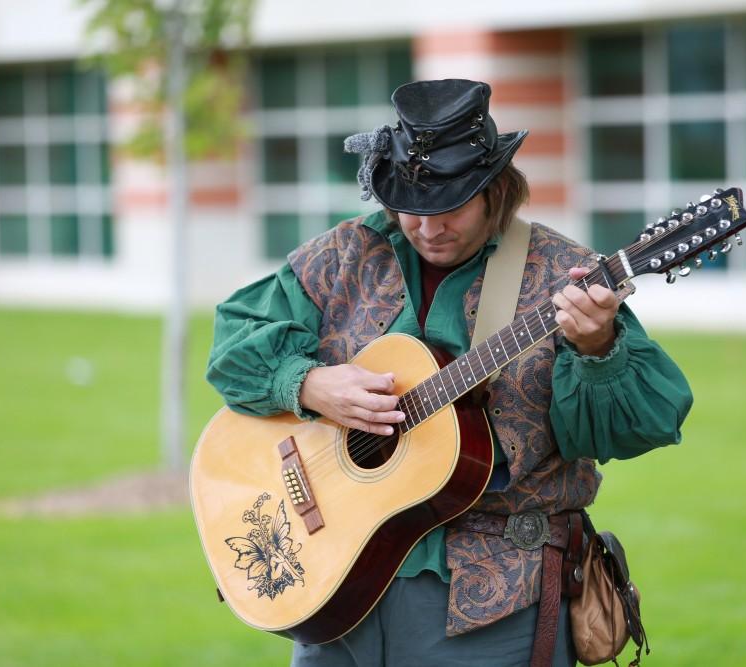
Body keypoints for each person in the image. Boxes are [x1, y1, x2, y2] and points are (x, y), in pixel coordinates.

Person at [205, 79, 693, 667]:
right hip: (337, 579)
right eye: (411, 207)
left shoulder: (565, 276)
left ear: (495, 190)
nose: (428, 227)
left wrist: (598, 349)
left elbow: (639, 423)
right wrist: (307, 385)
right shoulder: (344, 255)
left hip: (493, 606)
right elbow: (234, 342)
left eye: (449, 206)